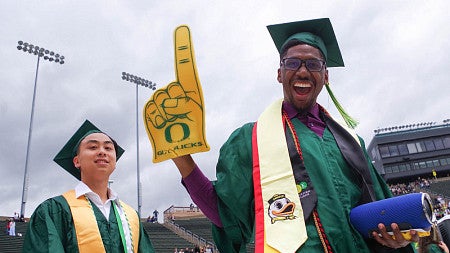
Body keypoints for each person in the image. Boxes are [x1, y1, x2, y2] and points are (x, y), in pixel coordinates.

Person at [145, 18, 443, 252]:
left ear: (326, 76)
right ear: (279, 74)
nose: (302, 71)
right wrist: (181, 157)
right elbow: (226, 216)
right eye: (292, 63)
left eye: (313, 64)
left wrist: (396, 238)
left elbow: (380, 215)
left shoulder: (353, 143)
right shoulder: (251, 139)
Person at [23, 120, 154, 253]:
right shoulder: (54, 210)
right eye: (93, 147)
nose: (102, 152)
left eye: (108, 148)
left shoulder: (131, 216)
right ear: (77, 161)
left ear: (115, 161)